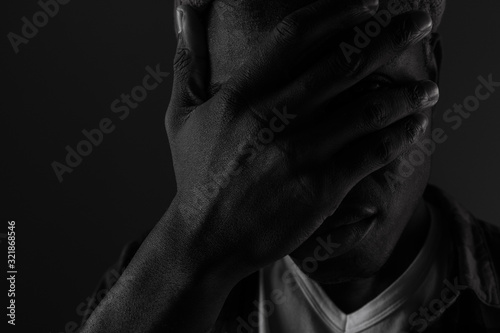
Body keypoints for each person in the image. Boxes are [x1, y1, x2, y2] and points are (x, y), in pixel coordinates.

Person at [80, 0, 500, 332]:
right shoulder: (153, 285)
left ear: (433, 68)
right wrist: (192, 247)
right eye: (267, 121)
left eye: (369, 93)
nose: (318, 178)